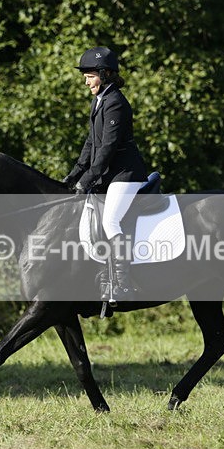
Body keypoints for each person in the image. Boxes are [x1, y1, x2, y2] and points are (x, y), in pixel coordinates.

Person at [63, 47, 147, 303]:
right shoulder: (99, 101)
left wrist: (86, 181)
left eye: (90, 75)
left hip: (126, 174)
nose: (86, 81)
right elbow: (91, 144)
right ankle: (102, 277)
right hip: (111, 176)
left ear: (105, 74)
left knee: (110, 221)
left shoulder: (116, 103)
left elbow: (107, 149)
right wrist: (73, 177)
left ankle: (122, 284)